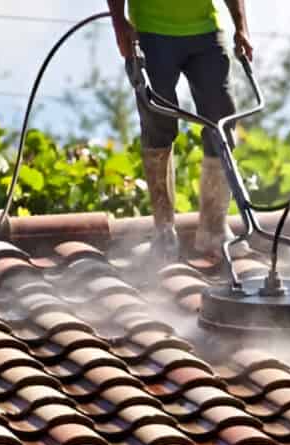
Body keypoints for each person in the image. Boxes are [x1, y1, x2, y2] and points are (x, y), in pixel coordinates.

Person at [107, 0, 253, 262]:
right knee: (158, 122)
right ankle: (164, 232)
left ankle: (214, 229)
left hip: (206, 32)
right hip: (150, 33)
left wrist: (241, 27)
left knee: (222, 121)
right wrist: (120, 25)